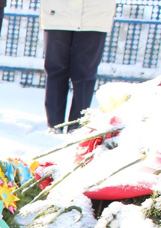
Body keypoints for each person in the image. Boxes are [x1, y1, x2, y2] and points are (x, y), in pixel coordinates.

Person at [41, 0, 117, 132]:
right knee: (56, 70)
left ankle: (77, 127)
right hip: (57, 12)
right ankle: (54, 125)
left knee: (85, 74)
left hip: (95, 14)